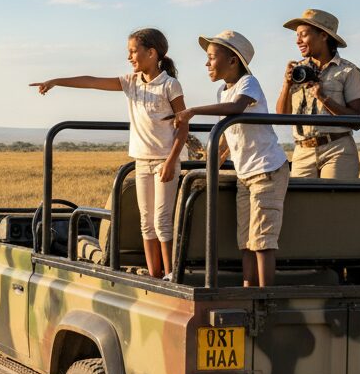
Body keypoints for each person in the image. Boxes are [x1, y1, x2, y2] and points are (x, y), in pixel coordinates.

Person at [30, 28, 188, 278]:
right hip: (142, 160)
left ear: (151, 52)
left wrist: (171, 161)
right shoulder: (131, 82)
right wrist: (57, 81)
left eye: (133, 51)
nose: (129, 57)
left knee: (162, 220)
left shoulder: (169, 84)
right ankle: (155, 273)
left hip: (164, 161)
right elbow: (92, 81)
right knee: (146, 222)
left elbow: (183, 126)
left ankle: (171, 274)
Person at [175, 31, 288, 287]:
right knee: (246, 241)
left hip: (266, 169)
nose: (207, 64)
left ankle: (264, 296)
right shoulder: (221, 92)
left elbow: (236, 109)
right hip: (245, 173)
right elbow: (225, 137)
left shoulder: (249, 84)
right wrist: (209, 166)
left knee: (262, 240)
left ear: (233, 60)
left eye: (212, 57)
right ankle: (248, 291)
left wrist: (192, 110)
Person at [275, 9, 360, 178]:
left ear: (323, 36)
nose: (298, 41)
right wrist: (287, 84)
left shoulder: (348, 71)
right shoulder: (298, 71)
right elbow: (281, 115)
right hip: (302, 150)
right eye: (297, 36)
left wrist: (323, 98)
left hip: (337, 149)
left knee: (332, 201)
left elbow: (357, 120)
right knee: (301, 203)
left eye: (303, 35)